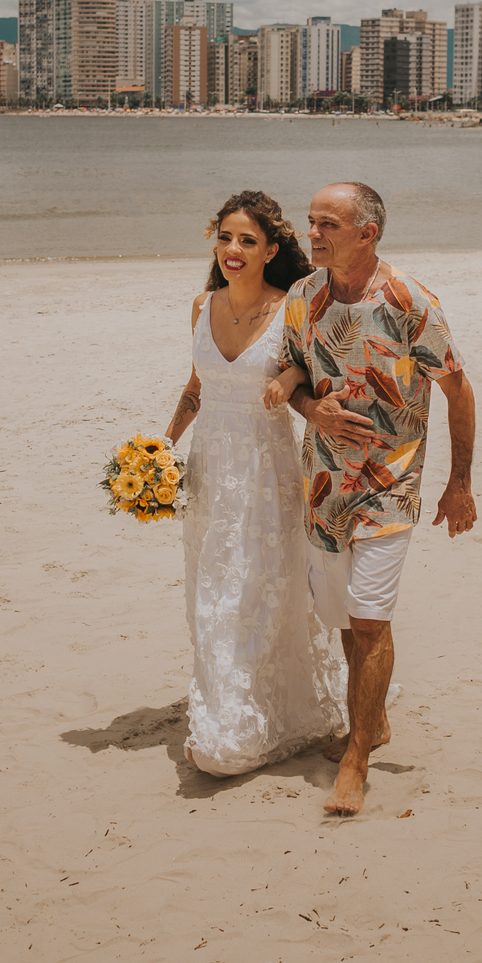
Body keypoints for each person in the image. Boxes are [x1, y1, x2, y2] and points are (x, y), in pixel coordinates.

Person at [274, 181, 476, 816]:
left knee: (370, 619)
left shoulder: (410, 300)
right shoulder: (304, 297)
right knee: (344, 620)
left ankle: (358, 756)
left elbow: (458, 391)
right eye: (311, 223)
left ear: (368, 232)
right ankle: (375, 721)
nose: (313, 235)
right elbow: (292, 377)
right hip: (324, 484)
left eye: (327, 224)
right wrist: (314, 410)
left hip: (391, 486)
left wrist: (460, 482)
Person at [165, 190, 345, 777]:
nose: (232, 250)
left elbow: (313, 365)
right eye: (224, 237)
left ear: (271, 250)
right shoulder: (201, 305)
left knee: (259, 592)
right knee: (212, 591)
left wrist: (290, 373)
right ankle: (225, 708)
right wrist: (159, 450)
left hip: (268, 474)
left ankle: (249, 718)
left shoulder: (293, 304)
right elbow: (195, 389)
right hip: (209, 470)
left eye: (247, 240)